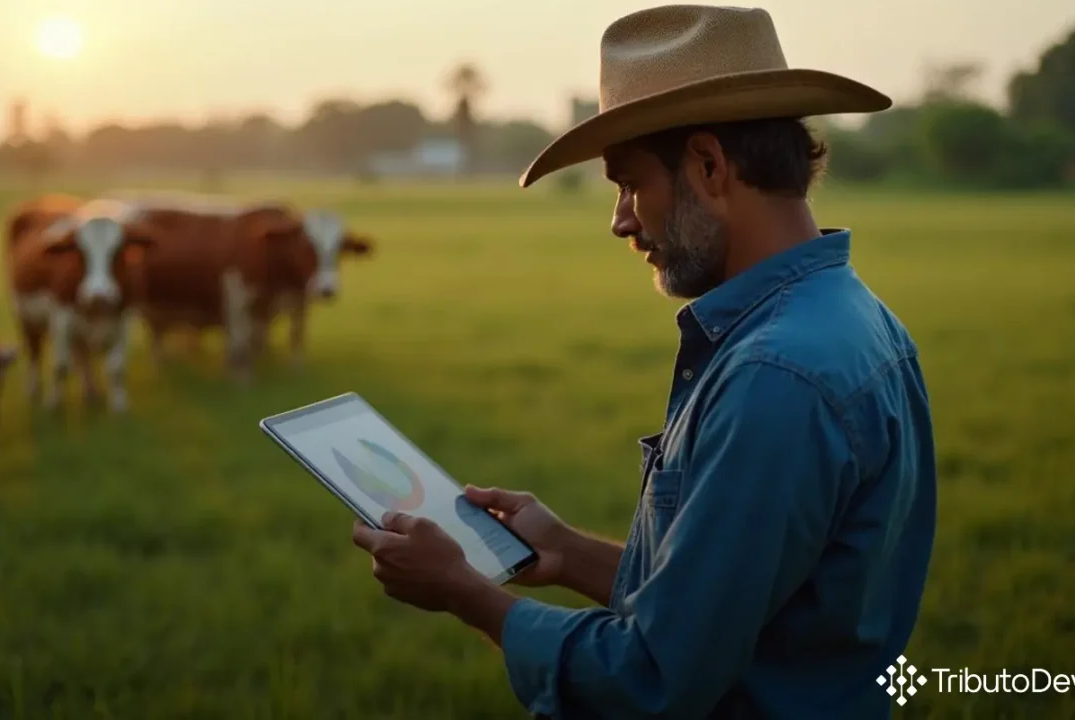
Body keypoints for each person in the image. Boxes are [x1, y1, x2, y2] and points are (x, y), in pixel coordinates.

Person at [349, 5, 938, 719]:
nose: (621, 219)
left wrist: (467, 594)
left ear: (709, 166)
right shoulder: (851, 320)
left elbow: (652, 678)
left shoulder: (775, 377)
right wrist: (565, 552)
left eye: (630, 184)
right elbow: (744, 608)